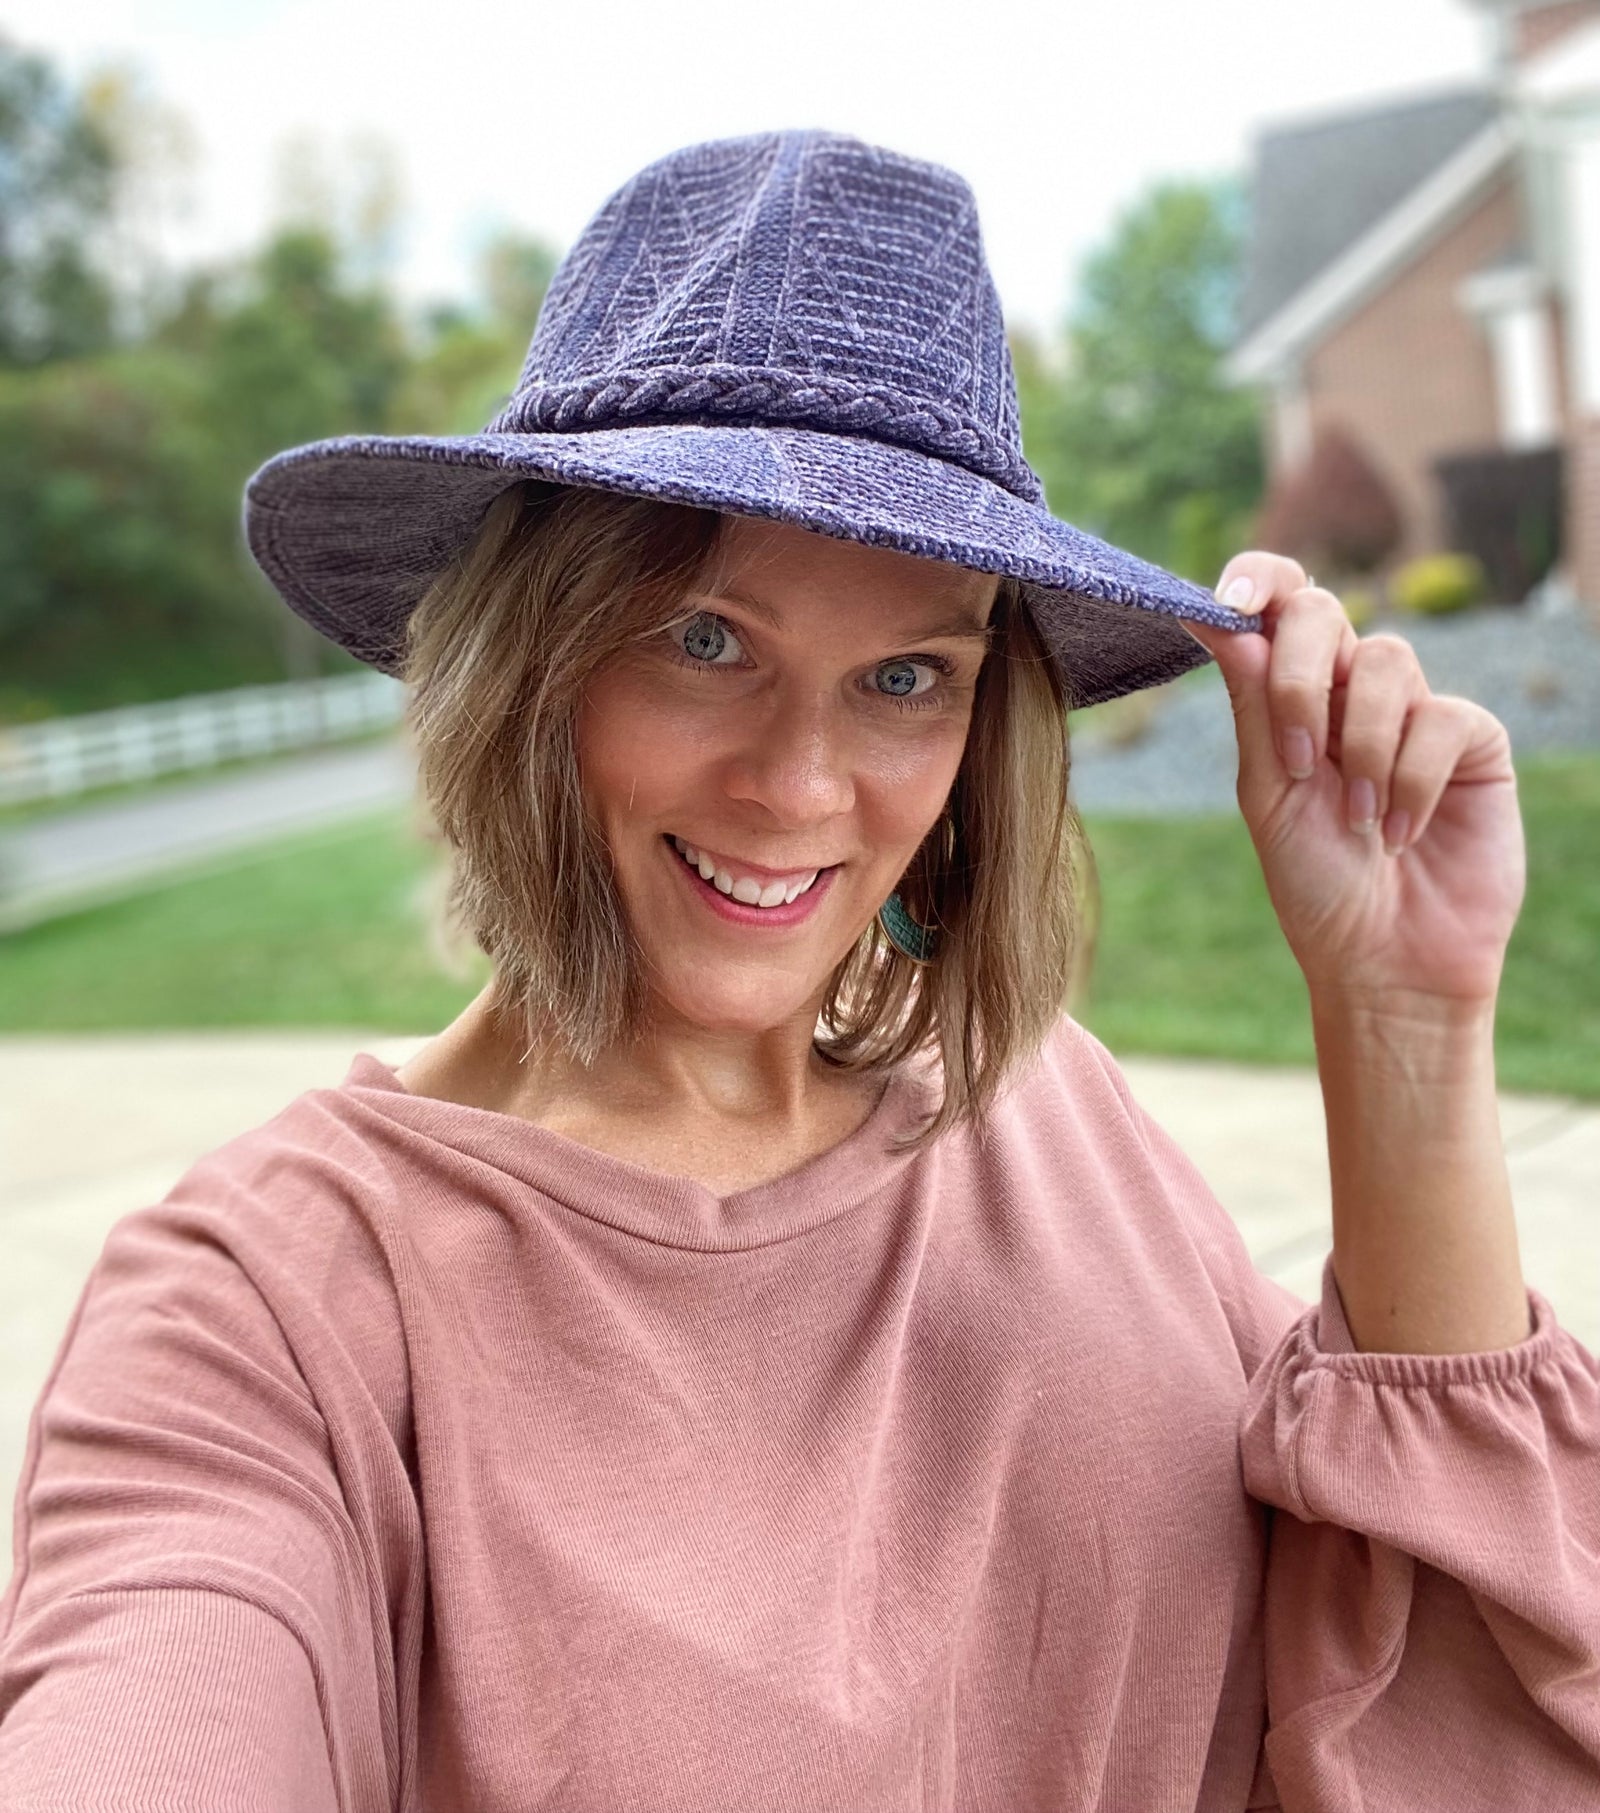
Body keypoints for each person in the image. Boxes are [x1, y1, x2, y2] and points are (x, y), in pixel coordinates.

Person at [0, 128, 1595, 1811]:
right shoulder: (272, 1308)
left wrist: (1404, 1030)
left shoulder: (1064, 1128)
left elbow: (1446, 1720)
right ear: (522, 661)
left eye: (908, 674)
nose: (804, 787)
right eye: (707, 642)